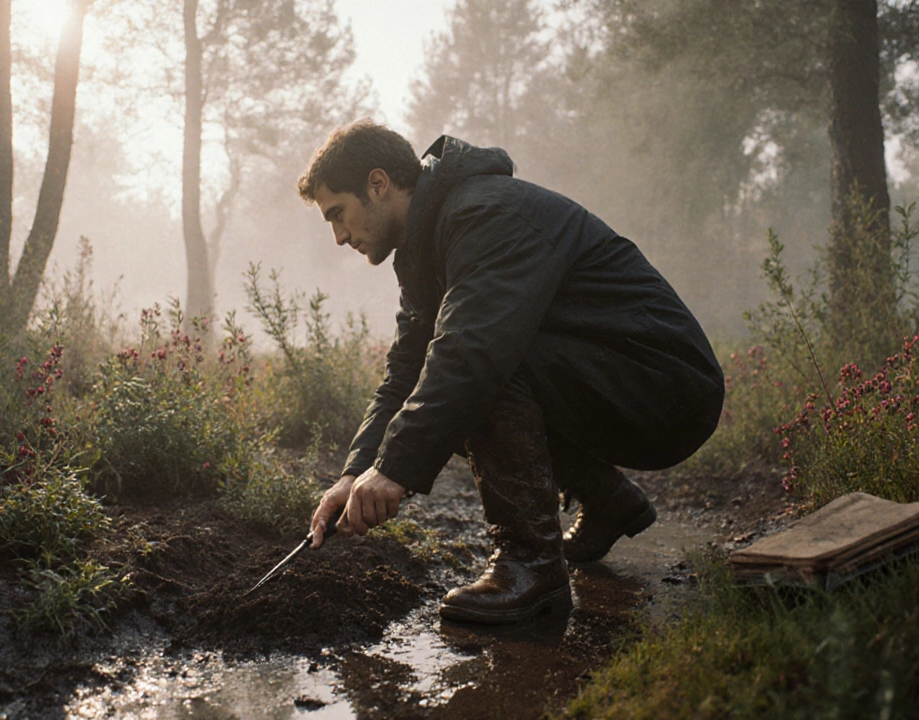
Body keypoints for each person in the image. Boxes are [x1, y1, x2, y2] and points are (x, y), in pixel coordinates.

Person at [299, 119, 724, 625]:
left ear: (378, 183)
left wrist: (393, 470)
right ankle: (607, 499)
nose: (340, 236)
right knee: (453, 380)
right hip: (617, 381)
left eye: (338, 214)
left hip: (667, 386)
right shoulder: (425, 246)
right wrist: (354, 473)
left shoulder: (485, 214)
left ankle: (531, 567)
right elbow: (405, 372)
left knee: (477, 370)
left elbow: (471, 354)